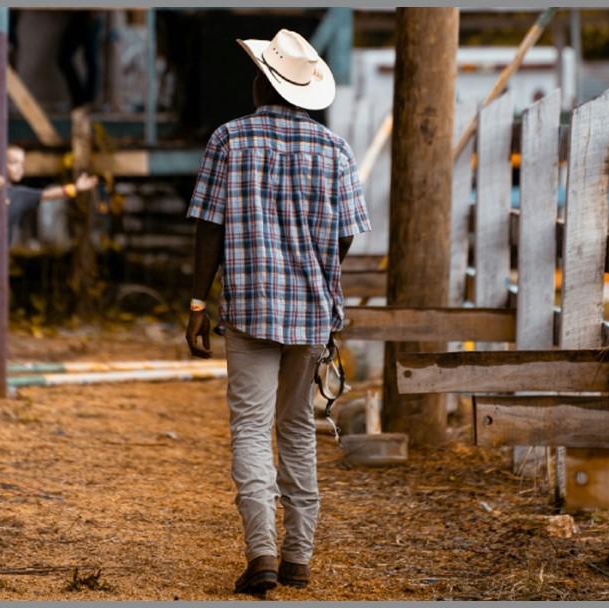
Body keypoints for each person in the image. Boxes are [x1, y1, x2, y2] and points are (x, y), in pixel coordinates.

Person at [185, 29, 370, 595]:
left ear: (262, 81)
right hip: (311, 314)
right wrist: (316, 275)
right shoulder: (334, 150)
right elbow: (345, 238)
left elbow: (209, 228)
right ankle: (297, 558)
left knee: (249, 428)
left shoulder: (229, 139)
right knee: (296, 427)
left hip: (249, 309)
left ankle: (261, 555)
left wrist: (197, 302)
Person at [0, 145, 98, 245]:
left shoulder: (19, 195)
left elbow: (46, 194)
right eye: (13, 162)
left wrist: (76, 188)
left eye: (21, 163)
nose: (20, 168)